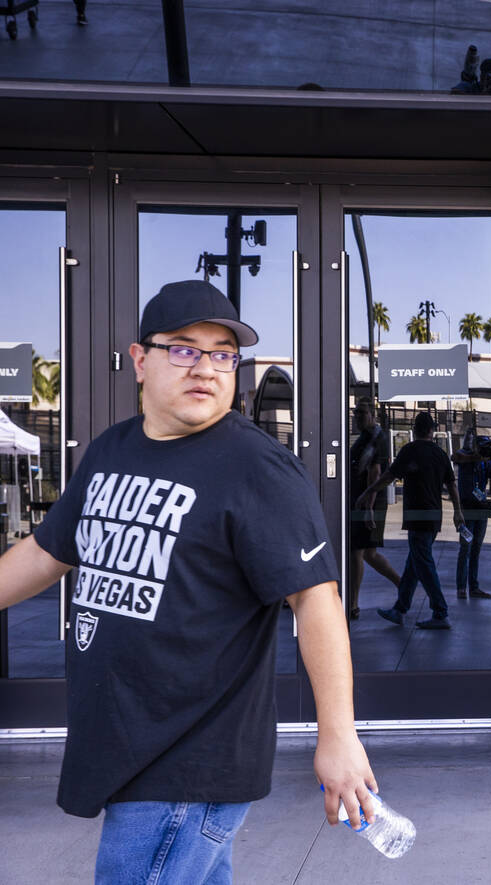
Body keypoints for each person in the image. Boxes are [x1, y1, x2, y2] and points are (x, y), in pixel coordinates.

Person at [0, 280, 375, 883]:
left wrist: (338, 736)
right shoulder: (111, 449)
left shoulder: (257, 467)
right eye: (183, 349)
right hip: (125, 742)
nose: (206, 367)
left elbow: (316, 597)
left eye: (223, 353)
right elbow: (48, 552)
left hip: (193, 757)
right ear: (140, 360)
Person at [360, 411, 463, 630]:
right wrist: (458, 512)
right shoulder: (440, 454)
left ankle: (440, 611)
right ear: (431, 431)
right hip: (434, 518)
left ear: (415, 431)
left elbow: (387, 478)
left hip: (417, 518)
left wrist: (366, 493)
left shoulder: (409, 451)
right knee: (414, 563)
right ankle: (400, 609)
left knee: (423, 564)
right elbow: (452, 486)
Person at [348, 401, 405, 619]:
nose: (357, 417)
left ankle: (353, 603)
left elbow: (375, 472)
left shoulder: (376, 438)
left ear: (372, 415)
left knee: (358, 552)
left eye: (362, 413)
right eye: (356, 413)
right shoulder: (365, 436)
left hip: (368, 502)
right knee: (368, 554)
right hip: (361, 501)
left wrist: (369, 507)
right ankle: (402, 586)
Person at [452, 429, 491, 600]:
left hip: (481, 511)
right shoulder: (464, 455)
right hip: (466, 511)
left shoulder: (486, 463)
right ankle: (461, 587)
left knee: (476, 548)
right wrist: (475, 457)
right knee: (465, 548)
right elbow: (455, 458)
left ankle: (474, 586)